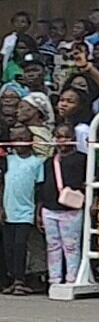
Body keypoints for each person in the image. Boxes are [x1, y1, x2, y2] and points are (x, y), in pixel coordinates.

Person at [38, 122, 86, 287]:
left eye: (66, 137)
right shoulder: (49, 161)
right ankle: (55, 279)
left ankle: (72, 279)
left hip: (71, 209)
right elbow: (42, 187)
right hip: (49, 209)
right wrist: (39, 211)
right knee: (53, 246)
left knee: (71, 245)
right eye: (59, 137)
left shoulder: (82, 159)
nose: (62, 140)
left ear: (74, 138)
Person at [3, 125, 44, 294]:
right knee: (9, 248)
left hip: (26, 211)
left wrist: (37, 212)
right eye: (15, 139)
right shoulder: (8, 160)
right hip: (8, 210)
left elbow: (39, 190)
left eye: (23, 138)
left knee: (21, 246)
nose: (19, 142)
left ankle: (21, 279)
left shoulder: (37, 162)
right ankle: (12, 279)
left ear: (31, 140)